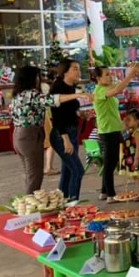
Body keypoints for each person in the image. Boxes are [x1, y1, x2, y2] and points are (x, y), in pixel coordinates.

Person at [11, 65, 89, 195]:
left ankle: (30, 202)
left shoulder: (18, 95)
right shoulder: (31, 94)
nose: (40, 79)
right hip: (30, 136)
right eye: (38, 76)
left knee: (30, 175)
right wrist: (79, 95)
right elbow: (53, 100)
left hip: (19, 136)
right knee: (35, 176)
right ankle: (30, 205)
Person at [93, 63, 139, 201]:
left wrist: (131, 73)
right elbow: (118, 89)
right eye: (107, 74)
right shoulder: (100, 91)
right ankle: (111, 194)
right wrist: (131, 74)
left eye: (110, 73)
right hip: (108, 130)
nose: (110, 76)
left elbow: (120, 86)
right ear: (98, 78)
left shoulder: (107, 88)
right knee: (109, 163)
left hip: (114, 129)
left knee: (111, 162)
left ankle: (104, 191)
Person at [49, 59, 87, 201]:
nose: (79, 72)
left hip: (72, 131)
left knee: (68, 171)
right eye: (75, 69)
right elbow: (57, 117)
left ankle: (63, 201)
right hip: (61, 134)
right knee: (78, 171)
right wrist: (65, 139)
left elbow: (68, 111)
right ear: (65, 72)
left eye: (79, 68)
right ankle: (73, 203)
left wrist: (80, 114)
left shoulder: (71, 87)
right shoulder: (58, 88)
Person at [119, 109, 139, 201]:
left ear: (137, 121)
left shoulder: (137, 132)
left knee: (136, 175)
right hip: (131, 156)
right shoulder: (131, 130)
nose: (127, 122)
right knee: (135, 175)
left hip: (136, 156)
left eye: (129, 120)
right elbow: (122, 133)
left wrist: (136, 159)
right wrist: (125, 125)